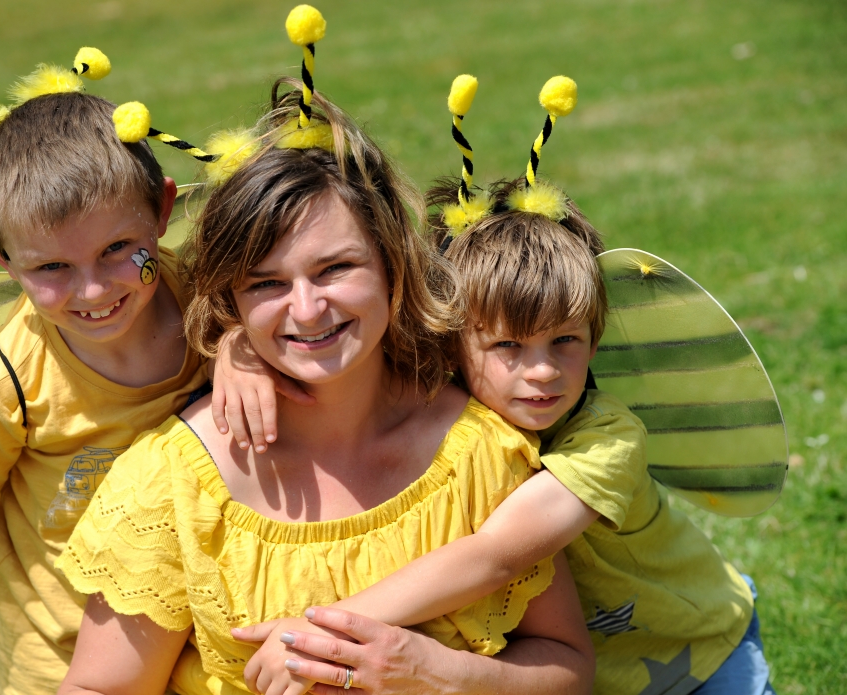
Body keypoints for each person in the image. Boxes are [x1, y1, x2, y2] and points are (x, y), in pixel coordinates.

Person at [55, 72, 595, 695]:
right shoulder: (173, 484)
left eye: (335, 268)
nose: (307, 309)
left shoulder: (481, 453)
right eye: (266, 283)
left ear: (393, 264)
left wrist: (431, 672)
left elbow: (569, 669)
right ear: (231, 299)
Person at [239, 174, 775, 694]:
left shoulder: (607, 439)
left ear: (595, 341)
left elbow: (498, 553)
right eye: (509, 347)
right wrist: (238, 354)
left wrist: (325, 632)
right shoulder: (446, 402)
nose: (542, 371)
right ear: (452, 343)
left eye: (564, 340)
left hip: (701, 652)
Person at [0, 28, 262, 694]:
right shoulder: (4, 384)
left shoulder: (211, 301)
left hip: (197, 646)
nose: (95, 290)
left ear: (162, 209)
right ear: (0, 258)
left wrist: (241, 348)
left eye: (116, 248)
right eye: (52, 267)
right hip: (58, 662)